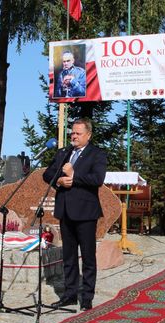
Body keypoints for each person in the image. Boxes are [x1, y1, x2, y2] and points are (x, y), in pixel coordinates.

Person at [43, 118, 107, 311]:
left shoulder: (97, 154)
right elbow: (47, 174)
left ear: (88, 135)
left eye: (78, 133)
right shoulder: (64, 153)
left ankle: (86, 297)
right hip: (65, 211)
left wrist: (74, 177)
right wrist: (59, 182)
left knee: (88, 257)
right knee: (69, 257)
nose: (74, 136)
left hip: (86, 212)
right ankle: (69, 295)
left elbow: (97, 179)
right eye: (73, 132)